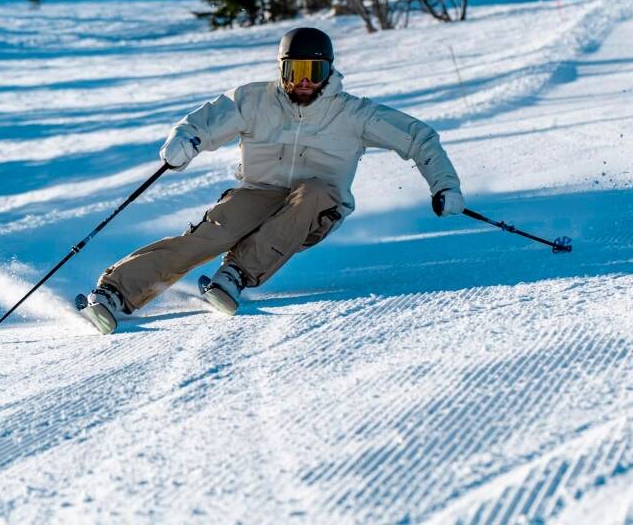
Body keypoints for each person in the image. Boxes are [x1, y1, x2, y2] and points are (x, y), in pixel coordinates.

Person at [78, 27, 465, 334]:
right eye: (294, 72)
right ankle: (115, 292)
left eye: (314, 72)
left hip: (318, 207)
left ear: (329, 72)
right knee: (211, 234)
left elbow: (419, 138)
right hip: (258, 192)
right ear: (281, 70)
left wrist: (444, 185)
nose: (304, 83)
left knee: (312, 192)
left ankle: (235, 275)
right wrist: (185, 142)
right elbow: (206, 122)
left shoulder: (354, 114)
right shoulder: (255, 100)